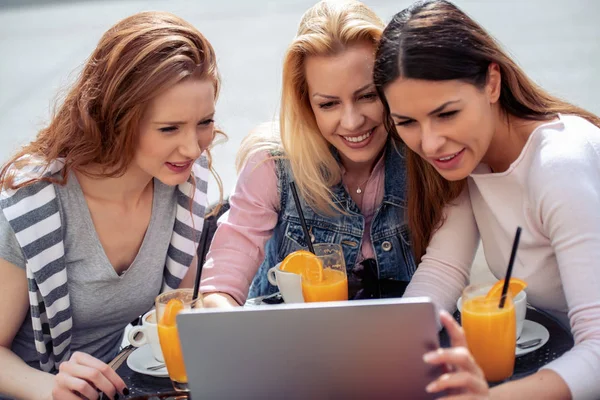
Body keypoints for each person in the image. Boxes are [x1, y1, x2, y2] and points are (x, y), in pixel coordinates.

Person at [374, 0, 600, 398]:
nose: (429, 143)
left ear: (491, 83)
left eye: (446, 114)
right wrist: (385, 353)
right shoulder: (471, 160)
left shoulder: (559, 165)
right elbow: (442, 270)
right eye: (407, 122)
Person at [0, 11, 222, 400]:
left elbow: (179, 320)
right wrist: (50, 388)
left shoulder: (184, 183)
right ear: (116, 118)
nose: (192, 147)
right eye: (169, 128)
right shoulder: (33, 202)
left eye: (204, 122)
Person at [200, 0, 416, 308]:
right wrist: (225, 316)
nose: (352, 121)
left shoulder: (422, 158)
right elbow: (222, 285)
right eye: (328, 104)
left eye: (367, 96)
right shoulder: (272, 165)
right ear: (306, 104)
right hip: (287, 349)